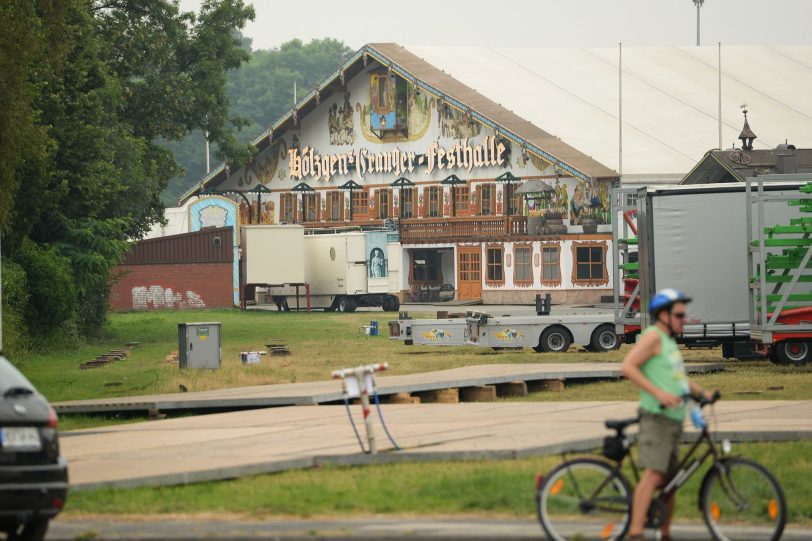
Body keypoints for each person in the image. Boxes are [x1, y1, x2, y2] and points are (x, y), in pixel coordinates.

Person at [621, 288, 713, 541]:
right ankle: (636, 533)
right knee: (653, 475)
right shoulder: (653, 337)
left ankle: (665, 534)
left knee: (670, 483)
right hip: (657, 418)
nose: (684, 319)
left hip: (673, 419)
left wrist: (703, 394)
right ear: (663, 315)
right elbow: (628, 367)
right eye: (679, 315)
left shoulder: (670, 342)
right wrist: (659, 394)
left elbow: (679, 379)